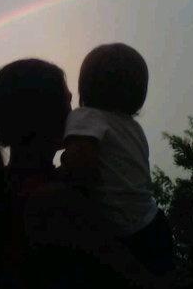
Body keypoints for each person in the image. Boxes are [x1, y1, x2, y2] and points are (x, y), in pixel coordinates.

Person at [0, 58, 160, 289]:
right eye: (68, 102)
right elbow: (136, 277)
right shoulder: (55, 200)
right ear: (46, 116)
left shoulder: (2, 187)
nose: (77, 112)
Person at [61, 43, 174, 279]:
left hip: (121, 234)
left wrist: (54, 179)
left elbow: (81, 169)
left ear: (85, 85)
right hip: (152, 225)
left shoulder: (86, 117)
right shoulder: (134, 129)